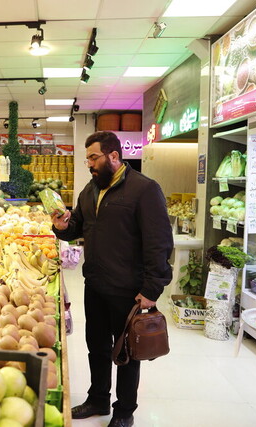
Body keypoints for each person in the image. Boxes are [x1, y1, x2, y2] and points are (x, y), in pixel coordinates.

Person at [51, 131, 173, 427]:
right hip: (95, 284)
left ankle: (124, 411)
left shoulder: (144, 189)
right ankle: (98, 399)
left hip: (128, 289)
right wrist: (61, 227)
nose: (89, 164)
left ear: (114, 156)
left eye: (94, 157)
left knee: (127, 351)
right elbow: (78, 227)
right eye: (87, 158)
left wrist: (152, 288)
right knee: (97, 346)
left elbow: (159, 242)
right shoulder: (90, 190)